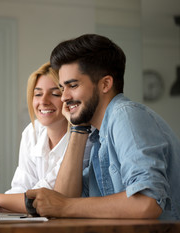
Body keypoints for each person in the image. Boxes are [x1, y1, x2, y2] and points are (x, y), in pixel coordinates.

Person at [26, 34, 180, 220]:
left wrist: (64, 205)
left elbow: (147, 202)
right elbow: (64, 200)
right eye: (62, 88)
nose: (64, 98)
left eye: (72, 85)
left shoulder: (125, 116)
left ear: (105, 84)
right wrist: (78, 128)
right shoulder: (98, 135)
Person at [0, 62, 92, 213]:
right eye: (37, 94)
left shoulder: (84, 137)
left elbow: (47, 197)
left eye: (55, 94)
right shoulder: (32, 132)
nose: (43, 101)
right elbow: (20, 191)